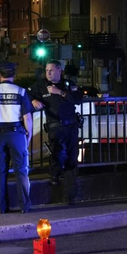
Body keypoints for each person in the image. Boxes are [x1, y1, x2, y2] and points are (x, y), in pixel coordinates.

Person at [0, 62, 34, 213]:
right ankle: (24, 206)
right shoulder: (21, 92)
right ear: (14, 75)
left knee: (0, 171)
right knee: (21, 170)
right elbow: (27, 117)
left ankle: (2, 207)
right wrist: (28, 136)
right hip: (16, 134)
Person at [31, 60, 83, 204]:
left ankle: (70, 196)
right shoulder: (40, 85)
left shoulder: (68, 85)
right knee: (58, 154)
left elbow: (77, 100)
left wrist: (59, 92)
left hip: (71, 126)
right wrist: (33, 101)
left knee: (72, 158)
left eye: (51, 70)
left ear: (59, 71)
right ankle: (54, 175)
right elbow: (27, 95)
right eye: (47, 70)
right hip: (54, 126)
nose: (48, 73)